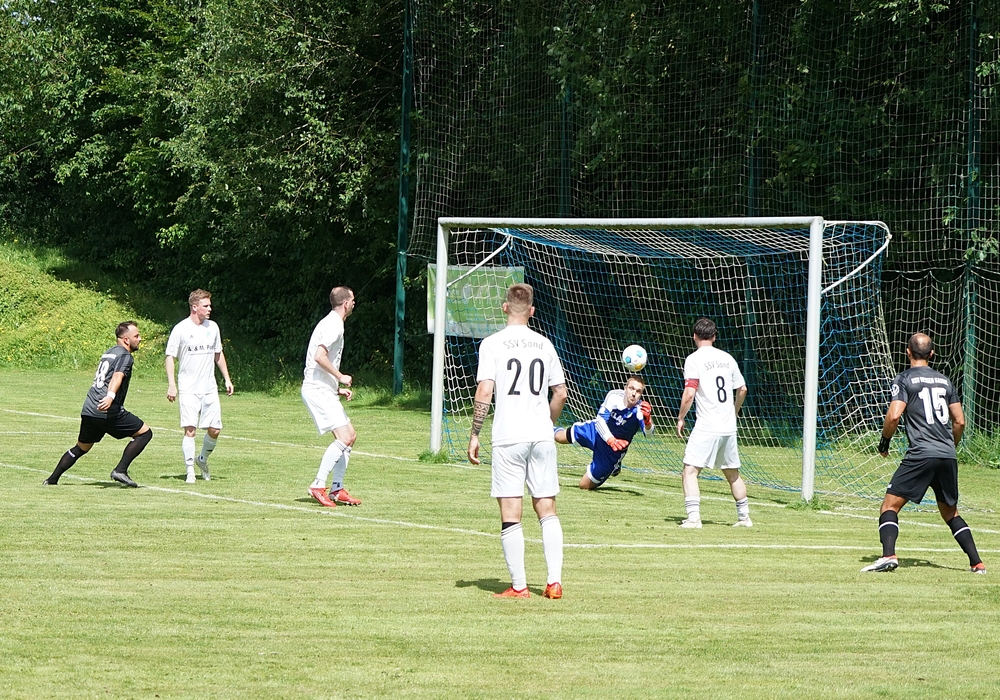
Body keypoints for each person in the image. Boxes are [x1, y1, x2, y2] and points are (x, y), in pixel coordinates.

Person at [468, 283, 568, 600]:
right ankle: (554, 582)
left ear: (504, 307)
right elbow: (560, 393)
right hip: (541, 436)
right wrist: (547, 423)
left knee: (512, 511)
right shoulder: (545, 344)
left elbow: (485, 390)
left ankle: (520, 586)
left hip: (509, 436)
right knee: (547, 508)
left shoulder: (492, 344)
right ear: (532, 311)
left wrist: (475, 433)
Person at [861, 333, 986, 574]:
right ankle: (977, 563)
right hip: (947, 455)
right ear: (932, 354)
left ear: (908, 352)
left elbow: (894, 415)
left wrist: (884, 441)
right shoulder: (945, 381)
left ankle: (888, 556)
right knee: (951, 513)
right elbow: (960, 421)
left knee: (889, 506)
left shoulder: (904, 379)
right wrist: (950, 446)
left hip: (921, 453)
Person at [44, 321, 153, 488]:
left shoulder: (109, 352)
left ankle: (52, 479)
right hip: (106, 408)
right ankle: (120, 470)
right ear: (126, 339)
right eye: (136, 336)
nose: (140, 339)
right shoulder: (125, 356)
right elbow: (117, 376)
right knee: (145, 433)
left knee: (81, 448)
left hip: (89, 408)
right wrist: (110, 396)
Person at [675, 317, 751, 528]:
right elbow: (742, 388)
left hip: (707, 426)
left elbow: (689, 393)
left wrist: (681, 418)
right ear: (714, 337)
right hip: (728, 427)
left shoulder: (693, 359)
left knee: (689, 471)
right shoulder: (727, 358)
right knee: (732, 474)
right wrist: (733, 412)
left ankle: (693, 518)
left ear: (694, 336)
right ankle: (744, 517)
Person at [165, 289, 234, 483]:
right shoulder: (181, 329)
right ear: (195, 307)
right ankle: (189, 471)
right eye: (206, 305)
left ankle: (202, 459)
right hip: (188, 388)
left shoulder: (213, 327)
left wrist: (227, 379)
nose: (210, 309)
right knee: (190, 429)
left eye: (209, 305)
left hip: (209, 388)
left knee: (215, 429)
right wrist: (172, 385)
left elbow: (218, 354)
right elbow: (170, 357)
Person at [301, 286, 361, 508]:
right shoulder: (334, 325)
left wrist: (336, 388)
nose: (354, 303)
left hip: (323, 389)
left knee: (350, 436)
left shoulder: (332, 323)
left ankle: (337, 488)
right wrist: (340, 376)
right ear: (345, 303)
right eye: (352, 300)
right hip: (317, 390)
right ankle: (318, 485)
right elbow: (319, 356)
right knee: (344, 437)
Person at [555, 376, 653, 489]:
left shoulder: (640, 411)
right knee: (559, 437)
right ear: (625, 388)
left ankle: (614, 466)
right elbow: (600, 421)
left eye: (638, 391)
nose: (634, 393)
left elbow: (649, 435)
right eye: (631, 388)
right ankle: (543, 426)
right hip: (596, 433)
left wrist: (648, 422)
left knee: (584, 486)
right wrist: (610, 439)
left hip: (612, 451)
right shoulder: (614, 396)